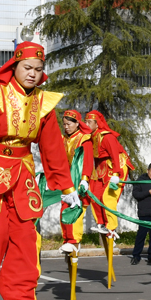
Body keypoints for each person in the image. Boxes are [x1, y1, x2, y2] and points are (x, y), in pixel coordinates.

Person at [0, 42, 77, 300]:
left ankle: (21, 296)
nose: (33, 74)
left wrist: (66, 186)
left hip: (22, 171)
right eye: (27, 68)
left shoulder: (44, 104)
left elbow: (52, 149)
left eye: (38, 69)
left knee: (26, 234)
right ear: (14, 67)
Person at [85, 110, 133, 238]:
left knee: (108, 197)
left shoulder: (106, 136)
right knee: (94, 194)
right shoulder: (90, 137)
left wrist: (117, 174)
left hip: (117, 166)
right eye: (85, 121)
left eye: (89, 122)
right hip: (102, 168)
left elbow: (114, 155)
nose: (86, 124)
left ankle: (111, 227)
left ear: (97, 123)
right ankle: (101, 223)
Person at [59, 109, 95, 257]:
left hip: (79, 180)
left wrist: (85, 180)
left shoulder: (83, 139)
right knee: (63, 210)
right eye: (64, 124)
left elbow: (87, 161)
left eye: (69, 124)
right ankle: (67, 240)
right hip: (66, 181)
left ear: (77, 123)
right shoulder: (63, 139)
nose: (66, 127)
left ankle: (74, 241)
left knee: (75, 209)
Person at [127, 163, 151, 266]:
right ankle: (136, 256)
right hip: (144, 213)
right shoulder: (141, 180)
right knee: (141, 235)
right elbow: (136, 194)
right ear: (148, 170)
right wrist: (148, 192)